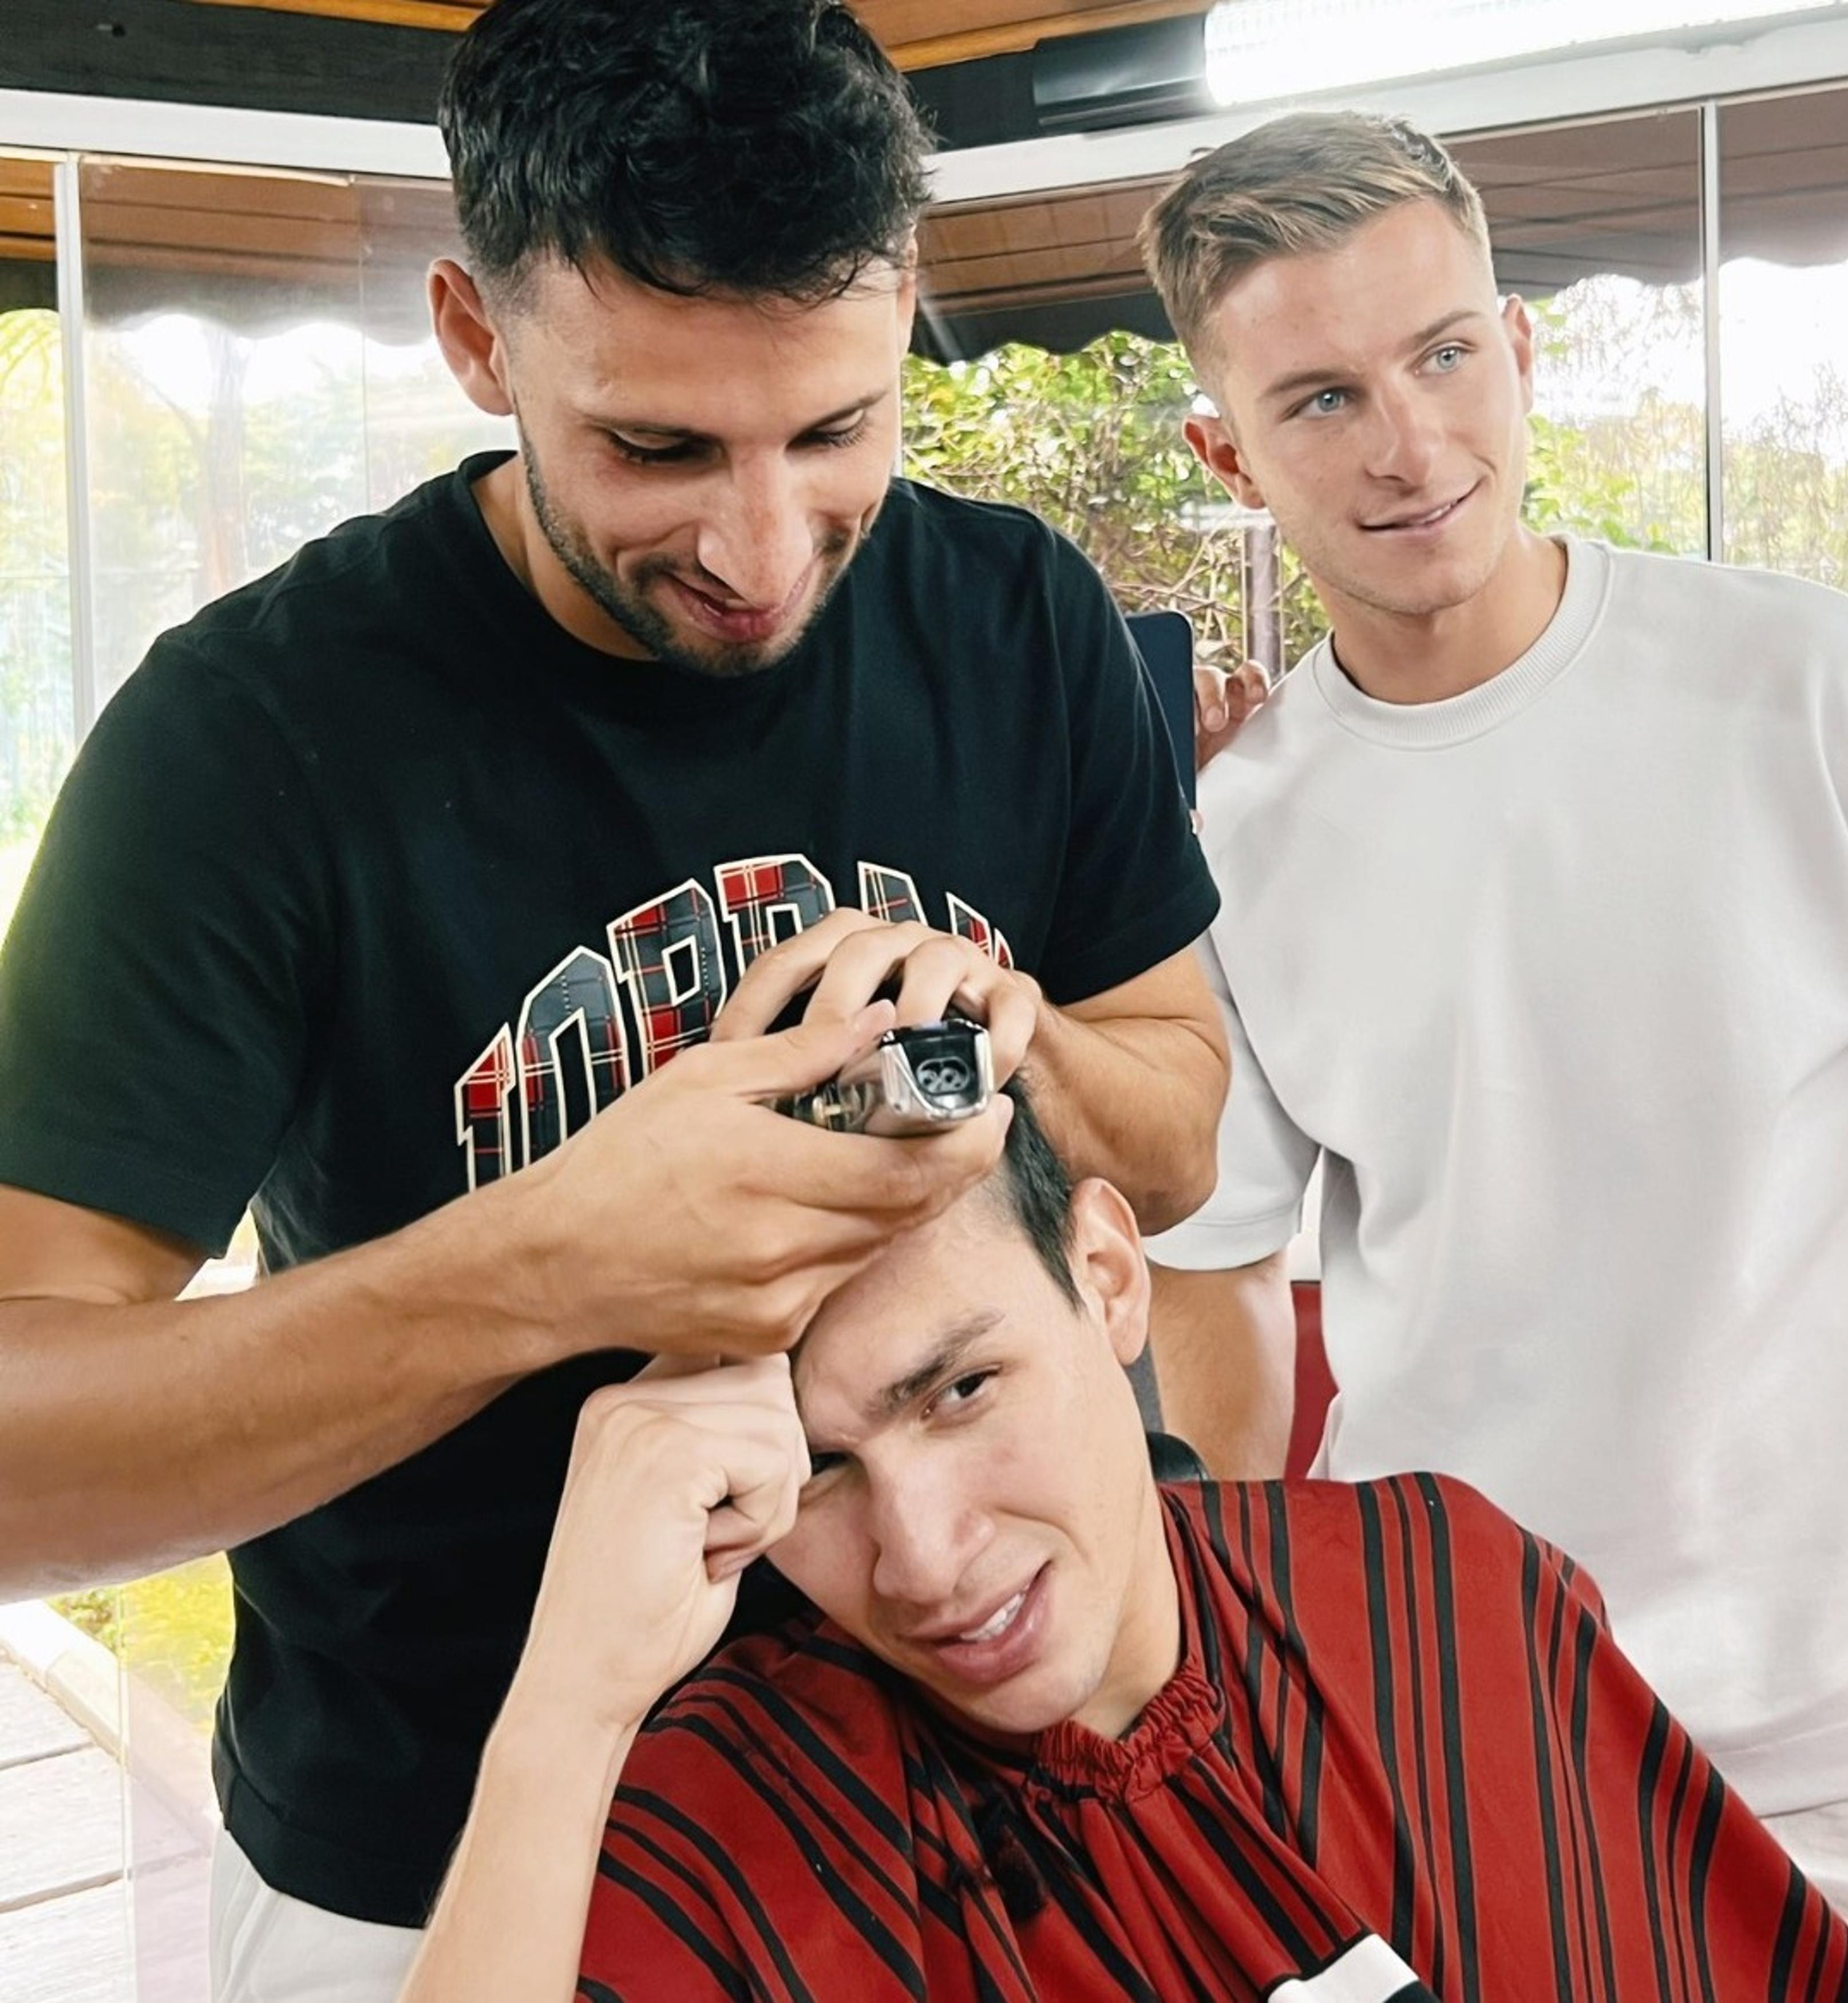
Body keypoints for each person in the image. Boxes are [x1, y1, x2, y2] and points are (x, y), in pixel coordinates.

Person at [0, 0, 1224, 1988]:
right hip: (441, 1855)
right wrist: (554, 1263)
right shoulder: (246, 740)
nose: (761, 551)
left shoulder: (1021, 622)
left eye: (837, 430)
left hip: (1004, 1793)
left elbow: (1175, 1136)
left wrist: (1023, 1038)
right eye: (657, 445)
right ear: (478, 341)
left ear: (906, 301)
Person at [1134, 110, 1848, 2000]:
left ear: (1521, 350)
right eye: (1318, 399)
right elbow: (1215, 1277)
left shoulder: (1807, 682)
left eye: (1445, 353)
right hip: (1481, 1733)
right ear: (1227, 450)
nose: (1408, 444)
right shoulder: (1228, 842)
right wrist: (1219, 1637)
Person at [394, 1094, 1848, 2002]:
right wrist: (564, 1711)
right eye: (818, 1469)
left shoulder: (1446, 1596)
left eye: (963, 1388)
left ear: (1109, 1280)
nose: (922, 1559)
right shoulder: (744, 1822)